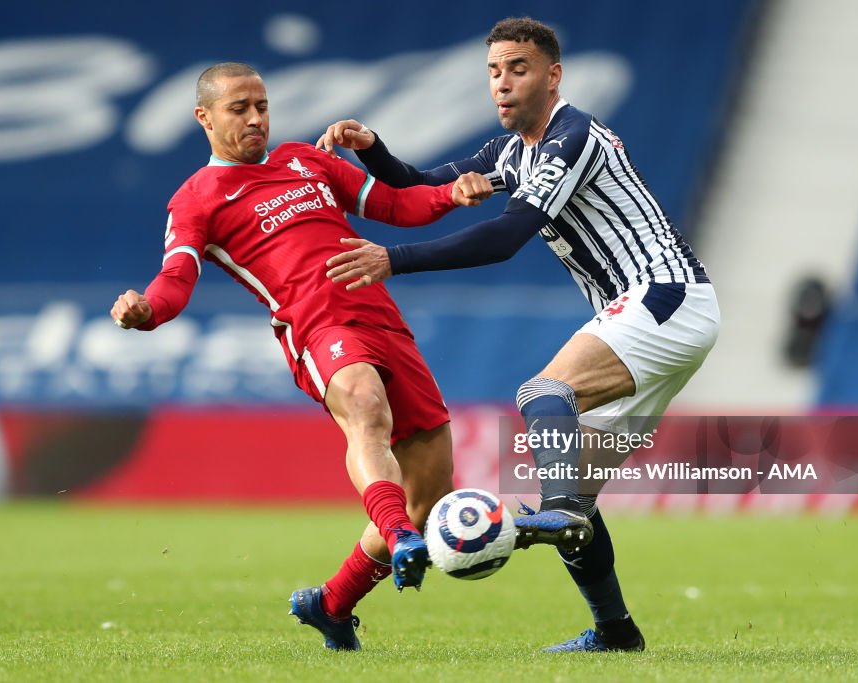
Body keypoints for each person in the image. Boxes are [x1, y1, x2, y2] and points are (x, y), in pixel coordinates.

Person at [318, 17, 720, 653]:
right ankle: (615, 629)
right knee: (580, 500)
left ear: (552, 76)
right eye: (494, 72)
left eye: (518, 69)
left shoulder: (573, 135)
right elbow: (418, 182)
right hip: (654, 313)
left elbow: (505, 238)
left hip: (665, 296)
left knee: (542, 394)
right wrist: (371, 148)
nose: (502, 84)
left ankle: (554, 510)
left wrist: (394, 260)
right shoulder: (510, 153)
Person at [110, 62, 493, 651]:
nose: (256, 118)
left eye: (261, 105)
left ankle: (331, 605)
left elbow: (394, 205)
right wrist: (146, 311)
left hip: (384, 318)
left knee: (428, 494)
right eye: (239, 108)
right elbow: (176, 278)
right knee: (365, 408)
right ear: (204, 117)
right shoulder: (196, 199)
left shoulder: (304, 159)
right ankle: (398, 537)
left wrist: (451, 194)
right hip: (316, 327)